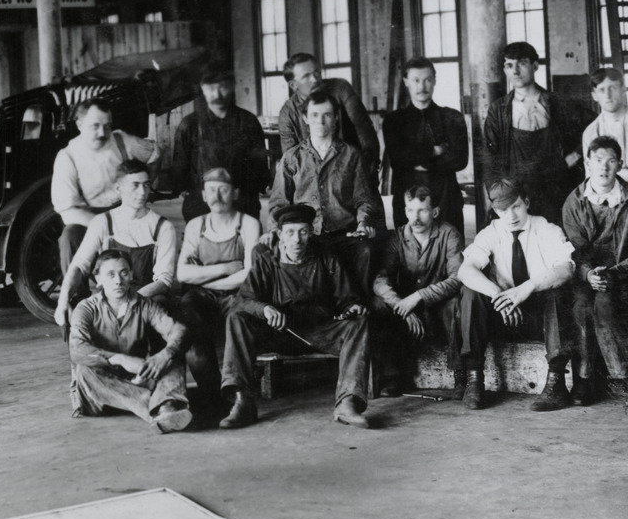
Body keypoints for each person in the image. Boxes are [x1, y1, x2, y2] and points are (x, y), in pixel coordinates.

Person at [217, 203, 373, 429]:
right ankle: (243, 402)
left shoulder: (326, 257)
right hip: (280, 332)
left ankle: (347, 403)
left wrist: (353, 306)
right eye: (290, 232)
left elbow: (345, 297)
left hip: (319, 331)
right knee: (237, 319)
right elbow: (242, 300)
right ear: (280, 234)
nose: (297, 239)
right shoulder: (267, 260)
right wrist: (264, 309)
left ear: (311, 232)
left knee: (359, 322)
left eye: (303, 232)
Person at [456, 177, 576, 412]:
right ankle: (474, 379)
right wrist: (499, 296)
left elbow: (566, 270)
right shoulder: (491, 232)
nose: (511, 216)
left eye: (516, 207)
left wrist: (526, 289)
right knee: (471, 291)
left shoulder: (547, 229)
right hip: (503, 315)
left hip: (538, 316)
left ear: (526, 202)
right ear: (495, 211)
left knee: (557, 292)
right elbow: (465, 270)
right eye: (503, 210)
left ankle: (557, 384)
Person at [561, 136, 628, 409]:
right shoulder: (573, 202)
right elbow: (574, 251)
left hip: (625, 277)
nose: (604, 167)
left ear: (620, 164)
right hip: (586, 276)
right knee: (581, 304)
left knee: (605, 303)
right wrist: (589, 274)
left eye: (611, 161)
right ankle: (584, 377)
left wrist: (612, 274)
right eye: (598, 160)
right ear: (587, 164)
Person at [268, 89, 384, 291]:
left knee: (365, 251)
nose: (320, 121)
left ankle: (358, 305)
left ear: (336, 118)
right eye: (314, 115)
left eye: (327, 115)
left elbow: (363, 198)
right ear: (305, 118)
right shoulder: (292, 158)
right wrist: (279, 232)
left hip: (344, 233)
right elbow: (279, 203)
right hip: (306, 235)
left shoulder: (352, 155)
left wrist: (363, 223)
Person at [68, 249, 193, 433]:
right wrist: (119, 359)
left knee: (173, 357)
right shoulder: (86, 308)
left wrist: (165, 354)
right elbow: (77, 349)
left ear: (131, 275)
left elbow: (177, 330)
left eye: (124, 273)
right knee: (84, 369)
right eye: (110, 275)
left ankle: (164, 408)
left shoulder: (144, 304)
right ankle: (160, 408)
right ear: (98, 279)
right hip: (100, 394)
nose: (118, 281)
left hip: (138, 378)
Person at [175, 167, 264, 414]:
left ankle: (235, 393)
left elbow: (249, 274)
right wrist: (226, 268)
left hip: (238, 294)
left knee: (240, 319)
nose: (217, 196)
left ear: (235, 193)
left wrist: (205, 278)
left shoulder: (248, 224)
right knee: (189, 319)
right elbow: (182, 274)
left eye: (223, 190)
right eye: (211, 190)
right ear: (204, 195)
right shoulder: (196, 225)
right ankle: (211, 394)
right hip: (202, 296)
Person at [54, 160, 178, 329]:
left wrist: (129, 302)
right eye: (135, 185)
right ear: (119, 188)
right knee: (74, 315)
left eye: (146, 185)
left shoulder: (163, 227)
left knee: (158, 308)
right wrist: (62, 300)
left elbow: (164, 280)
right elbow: (79, 265)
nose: (142, 192)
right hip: (111, 295)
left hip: (146, 296)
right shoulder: (103, 222)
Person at [370, 185, 464, 397]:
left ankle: (461, 375)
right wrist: (401, 305)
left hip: (438, 309)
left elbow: (458, 278)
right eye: (411, 210)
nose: (415, 218)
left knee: (456, 303)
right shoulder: (397, 238)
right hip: (406, 313)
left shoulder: (449, 234)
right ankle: (394, 376)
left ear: (435, 212)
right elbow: (380, 280)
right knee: (378, 304)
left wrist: (419, 296)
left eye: (422, 210)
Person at [50, 98, 159, 275]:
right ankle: (75, 291)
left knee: (148, 233)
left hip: (125, 210)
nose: (102, 133)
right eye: (95, 126)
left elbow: (154, 154)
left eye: (107, 126)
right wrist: (106, 228)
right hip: (89, 217)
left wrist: (145, 186)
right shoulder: (67, 157)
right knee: (70, 237)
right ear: (79, 125)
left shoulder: (121, 140)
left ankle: (138, 286)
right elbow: (68, 210)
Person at [482, 42, 585, 226]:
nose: (515, 71)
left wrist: (575, 155)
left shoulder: (558, 103)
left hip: (554, 190)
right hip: (516, 193)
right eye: (509, 65)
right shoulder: (498, 110)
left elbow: (594, 126)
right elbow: (490, 157)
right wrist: (496, 196)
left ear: (535, 66)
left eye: (522, 63)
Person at [166, 68, 269, 222]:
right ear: (203, 88)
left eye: (223, 87)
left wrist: (251, 192)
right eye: (211, 88)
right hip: (201, 203)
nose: (217, 94)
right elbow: (180, 166)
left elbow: (260, 166)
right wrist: (184, 189)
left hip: (242, 202)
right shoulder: (190, 124)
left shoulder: (248, 121)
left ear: (232, 86)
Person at [382, 57, 469, 234]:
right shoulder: (393, 121)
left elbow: (460, 160)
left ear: (435, 80)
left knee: (449, 246)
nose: (422, 87)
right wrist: (434, 150)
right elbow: (398, 159)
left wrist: (419, 161)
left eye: (427, 80)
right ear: (406, 81)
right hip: (407, 199)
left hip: (446, 199)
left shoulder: (452, 117)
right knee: (410, 249)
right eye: (416, 80)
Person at [276, 52, 379, 174]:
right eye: (306, 76)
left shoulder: (341, 88)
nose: (315, 79)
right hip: (312, 175)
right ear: (293, 85)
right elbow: (291, 159)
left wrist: (369, 167)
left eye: (317, 72)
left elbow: (363, 127)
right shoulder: (287, 113)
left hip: (353, 168)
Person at [580, 67, 628, 186]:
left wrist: (606, 172)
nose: (607, 95)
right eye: (601, 90)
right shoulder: (590, 132)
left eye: (612, 88)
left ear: (623, 89)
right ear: (594, 95)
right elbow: (590, 178)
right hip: (606, 194)